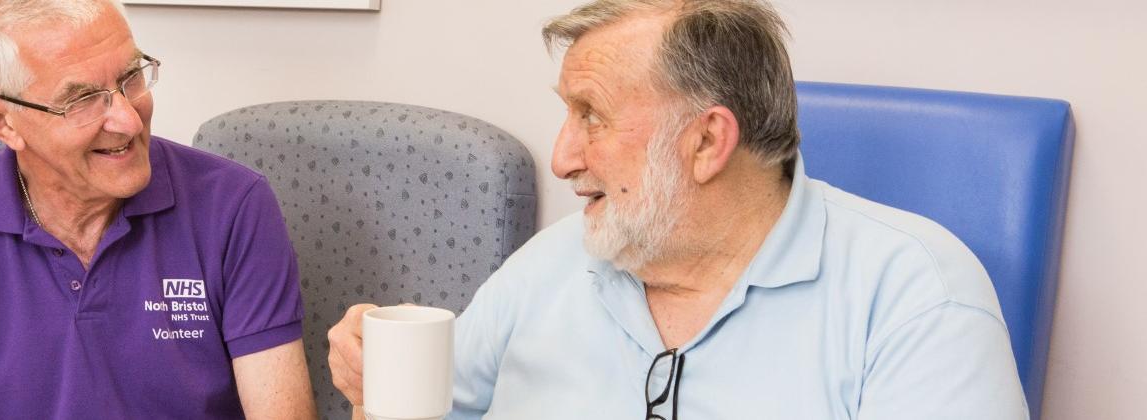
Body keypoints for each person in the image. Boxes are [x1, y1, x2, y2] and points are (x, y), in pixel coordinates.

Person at [326, 0, 1028, 418]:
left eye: (592, 116)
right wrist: (373, 389)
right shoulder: (549, 266)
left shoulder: (914, 297)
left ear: (706, 141)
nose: (562, 157)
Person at [0, 0, 315, 418]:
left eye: (131, 77)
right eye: (83, 100)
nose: (128, 119)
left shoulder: (234, 207)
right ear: (2, 121)